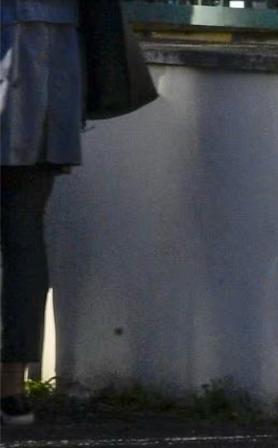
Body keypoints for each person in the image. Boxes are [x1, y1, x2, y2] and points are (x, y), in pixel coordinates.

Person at [1, 0, 155, 425]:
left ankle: (12, 384)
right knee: (24, 237)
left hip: (33, 59)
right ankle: (10, 387)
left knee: (24, 237)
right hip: (50, 67)